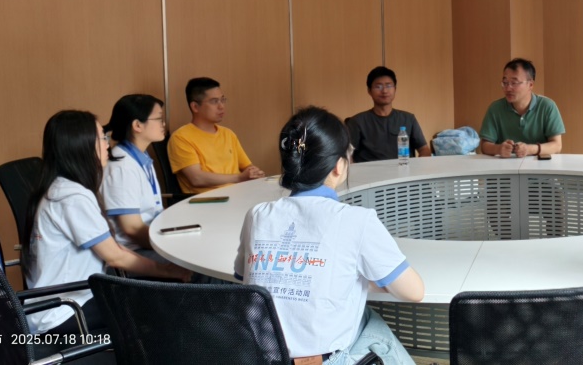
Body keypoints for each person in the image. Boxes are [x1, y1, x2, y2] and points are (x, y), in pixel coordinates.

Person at [235, 107, 424, 364]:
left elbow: (246, 276)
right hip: (326, 360)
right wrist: (354, 278)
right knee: (373, 323)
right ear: (338, 165)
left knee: (367, 318)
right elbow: (413, 292)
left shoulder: (257, 215)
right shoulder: (356, 220)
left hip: (261, 357)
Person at [24, 110, 191, 334]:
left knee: (161, 299)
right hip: (65, 311)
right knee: (168, 306)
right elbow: (115, 256)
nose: (107, 145)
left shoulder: (62, 187)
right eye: (102, 137)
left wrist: (166, 271)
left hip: (66, 301)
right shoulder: (72, 197)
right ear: (81, 145)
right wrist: (168, 272)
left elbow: (114, 251)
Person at [168, 77, 265, 194]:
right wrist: (239, 178)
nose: (221, 106)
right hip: (208, 200)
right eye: (214, 101)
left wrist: (254, 173)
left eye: (222, 100)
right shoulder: (181, 137)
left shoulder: (228, 134)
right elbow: (196, 178)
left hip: (238, 194)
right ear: (195, 107)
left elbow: (247, 166)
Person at [101, 94, 167, 257]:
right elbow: (132, 229)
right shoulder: (122, 167)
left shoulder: (140, 157)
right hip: (135, 252)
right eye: (159, 119)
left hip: (152, 240)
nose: (164, 124)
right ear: (137, 125)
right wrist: (171, 247)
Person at [478, 58, 565, 158]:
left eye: (514, 83)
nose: (508, 88)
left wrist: (529, 149)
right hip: (505, 165)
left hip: (539, 164)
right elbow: (484, 145)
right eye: (505, 82)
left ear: (530, 84)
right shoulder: (495, 108)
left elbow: (557, 146)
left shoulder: (547, 106)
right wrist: (498, 149)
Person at [348, 66, 432, 163]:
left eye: (388, 86)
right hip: (370, 172)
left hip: (403, 170)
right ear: (369, 91)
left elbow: (424, 149)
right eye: (378, 86)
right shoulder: (357, 122)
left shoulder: (408, 119)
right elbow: (347, 154)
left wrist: (418, 167)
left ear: (395, 89)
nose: (384, 91)